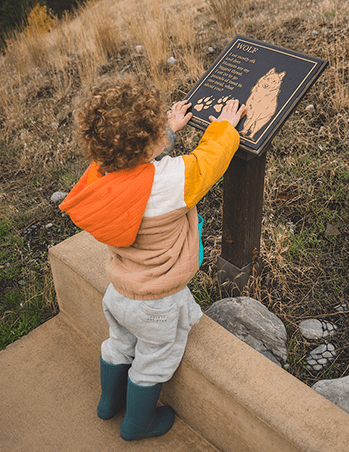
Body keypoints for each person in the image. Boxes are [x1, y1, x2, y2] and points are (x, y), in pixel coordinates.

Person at [59, 73, 246, 441]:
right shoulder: (172, 182)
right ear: (149, 141)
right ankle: (137, 424)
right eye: (160, 126)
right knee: (153, 361)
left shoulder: (99, 178)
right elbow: (209, 161)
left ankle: (107, 404)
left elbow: (136, 163)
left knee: (118, 344)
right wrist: (224, 126)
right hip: (158, 304)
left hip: (119, 293)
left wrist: (169, 133)